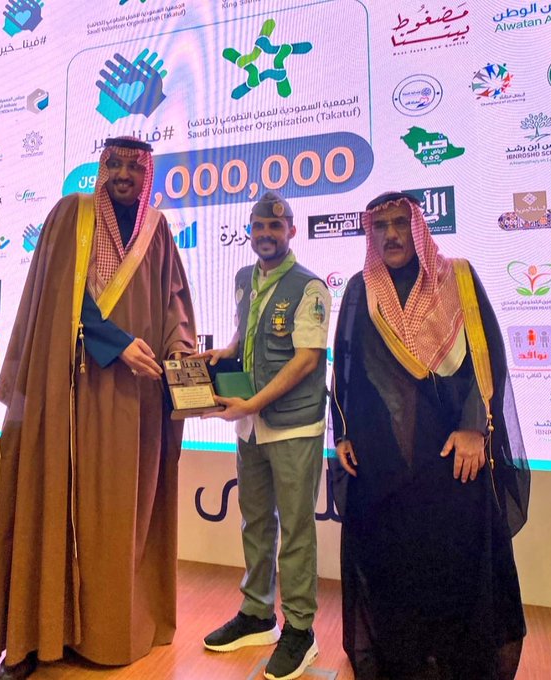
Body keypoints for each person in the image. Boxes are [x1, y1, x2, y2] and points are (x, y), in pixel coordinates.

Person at [0, 137, 196, 680]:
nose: (124, 174)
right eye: (115, 164)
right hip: (71, 393)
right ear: (102, 168)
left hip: (137, 401)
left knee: (121, 519)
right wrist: (116, 342)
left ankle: (111, 631)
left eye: (135, 166)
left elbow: (174, 303)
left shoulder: (158, 229)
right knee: (53, 504)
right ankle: (37, 634)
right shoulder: (72, 214)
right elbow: (62, 296)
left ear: (147, 174)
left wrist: (180, 351)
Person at [329, 191, 530, 680]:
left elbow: (487, 357)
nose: (392, 235)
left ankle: (457, 662)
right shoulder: (360, 289)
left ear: (418, 228)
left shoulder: (457, 278)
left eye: (401, 223)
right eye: (381, 226)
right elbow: (346, 365)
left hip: (450, 455)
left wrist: (474, 427)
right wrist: (343, 433)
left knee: (453, 560)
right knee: (393, 562)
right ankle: (405, 660)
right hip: (382, 460)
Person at [198, 191, 331, 680]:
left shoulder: (310, 287)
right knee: (255, 521)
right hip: (251, 426)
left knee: (295, 529)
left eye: (276, 227)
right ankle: (257, 613)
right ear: (249, 232)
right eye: (259, 227)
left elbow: (307, 360)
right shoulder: (243, 279)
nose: (267, 235)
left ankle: (300, 629)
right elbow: (249, 333)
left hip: (293, 423)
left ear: (291, 231)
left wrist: (253, 403)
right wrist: (225, 351)